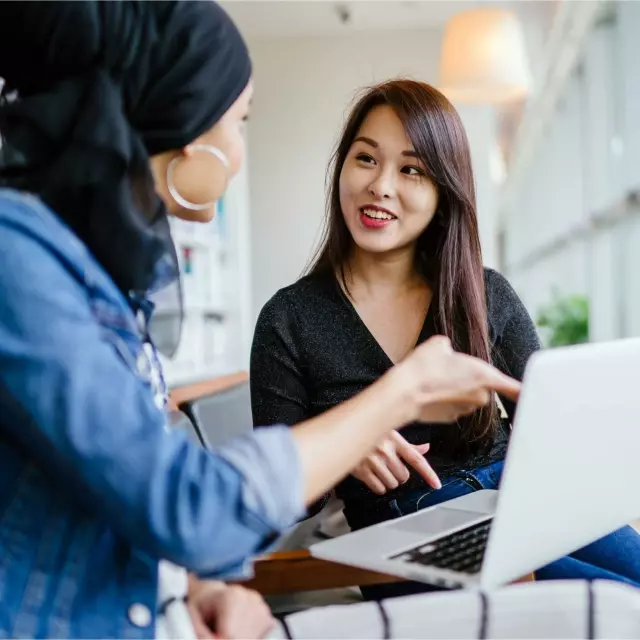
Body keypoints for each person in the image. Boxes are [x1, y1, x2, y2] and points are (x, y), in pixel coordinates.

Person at [0, 3, 520, 638]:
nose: (240, 150)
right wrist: (393, 400)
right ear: (183, 124)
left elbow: (127, 500)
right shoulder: (20, 263)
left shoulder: (94, 278)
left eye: (412, 169)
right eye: (240, 121)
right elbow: (187, 507)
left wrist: (195, 585)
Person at [250, 79, 640, 600]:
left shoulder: (483, 292)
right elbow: (280, 502)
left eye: (411, 170)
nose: (381, 185)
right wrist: (344, 443)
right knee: (617, 607)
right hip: (405, 529)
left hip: (521, 497)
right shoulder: (288, 319)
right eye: (366, 159)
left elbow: (550, 429)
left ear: (442, 193)